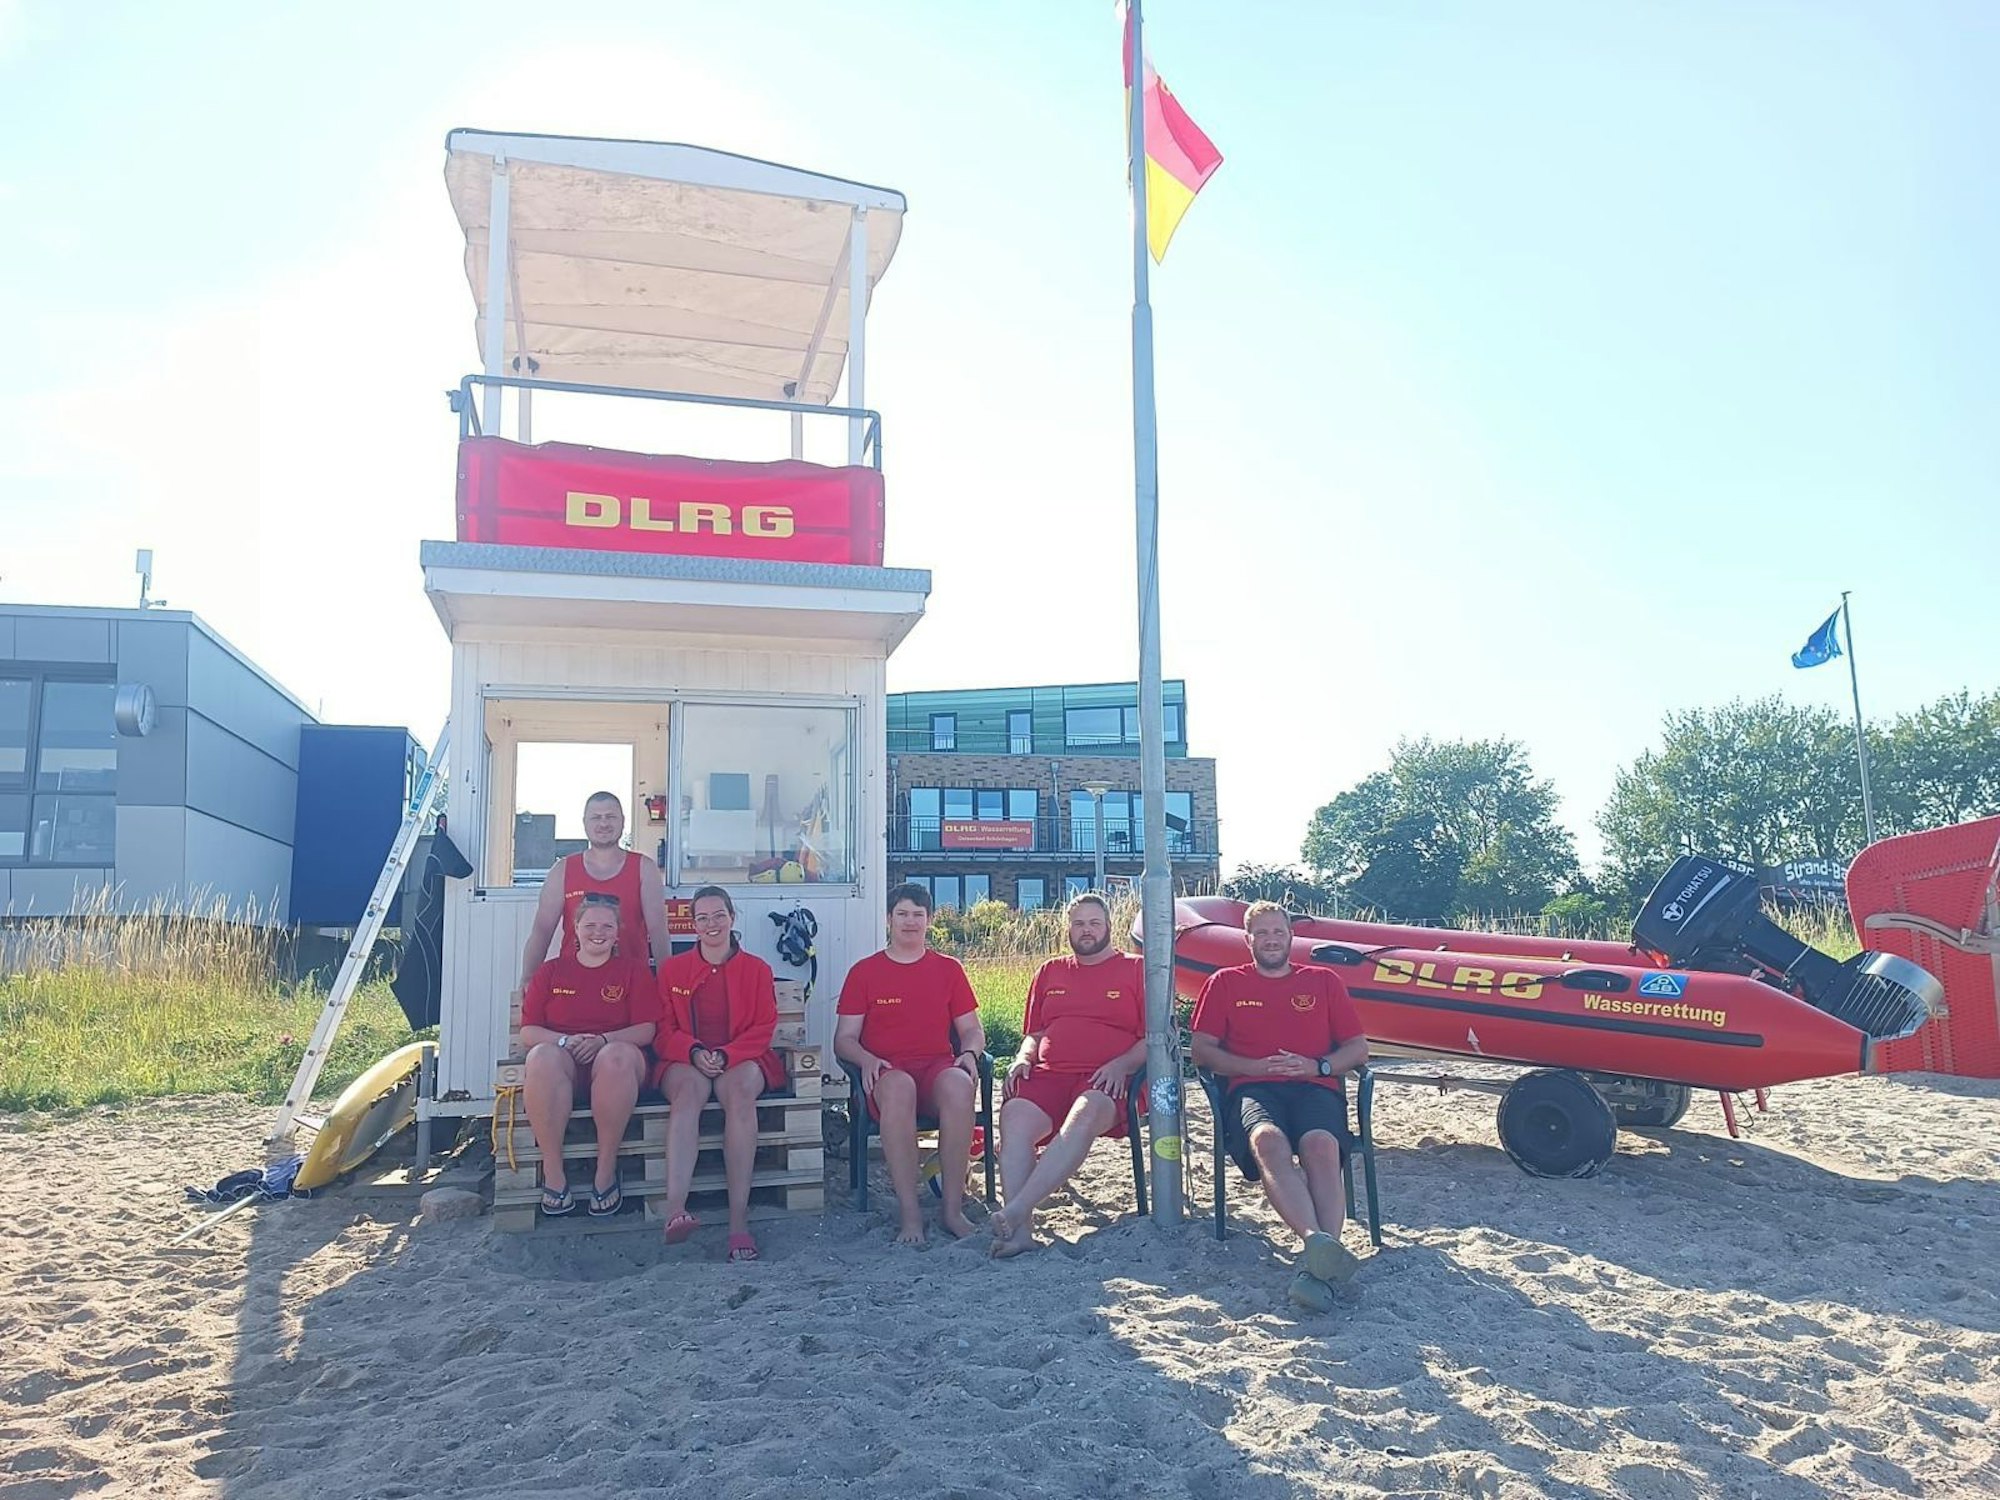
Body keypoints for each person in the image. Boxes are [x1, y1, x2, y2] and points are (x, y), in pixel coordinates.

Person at [1189, 900, 1370, 1311]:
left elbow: (1357, 1048)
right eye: (1262, 933)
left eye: (1278, 932)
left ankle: (1319, 1265)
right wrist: (1251, 1066)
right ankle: (1316, 1242)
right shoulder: (1225, 983)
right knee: (1267, 1140)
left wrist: (1318, 1065)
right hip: (1253, 1088)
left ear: (1291, 937)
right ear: (1248, 940)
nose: (1271, 940)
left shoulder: (1323, 981)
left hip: (1315, 1086)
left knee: (1321, 1146)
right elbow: (1202, 1052)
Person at [989, 893, 1146, 1258]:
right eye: (1078, 924)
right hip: (1050, 1075)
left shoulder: (1136, 970)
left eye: (1094, 923)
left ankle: (1016, 1210)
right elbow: (1035, 1032)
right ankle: (1021, 1234)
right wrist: (1023, 1056)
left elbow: (1154, 1038)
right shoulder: (1050, 971)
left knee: (1085, 1111)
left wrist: (1122, 1065)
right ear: (1068, 929)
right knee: (1014, 1116)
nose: (1086, 930)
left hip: (1107, 1079)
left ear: (1109, 927)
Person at [834, 883, 986, 1245]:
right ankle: (910, 1214)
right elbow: (844, 1039)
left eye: (918, 915)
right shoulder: (865, 972)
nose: (910, 922)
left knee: (960, 1085)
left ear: (929, 920)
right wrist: (865, 1058)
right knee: (899, 1088)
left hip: (936, 1067)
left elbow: (972, 1030)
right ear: (888, 919)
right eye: (902, 914)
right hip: (887, 1071)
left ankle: (952, 1209)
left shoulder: (949, 969)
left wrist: (969, 1054)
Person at [653, 887, 787, 1261]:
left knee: (741, 1096)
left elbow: (763, 1027)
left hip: (742, 1057)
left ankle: (738, 1222)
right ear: (693, 925)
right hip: (686, 1058)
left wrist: (728, 1054)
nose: (711, 924)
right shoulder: (673, 970)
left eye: (718, 915)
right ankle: (675, 1210)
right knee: (686, 1096)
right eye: (702, 918)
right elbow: (662, 1029)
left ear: (732, 917)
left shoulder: (757, 970)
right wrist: (693, 1051)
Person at [519, 892, 662, 1216]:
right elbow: (529, 1032)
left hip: (619, 1067)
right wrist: (565, 1042)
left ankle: (606, 1170)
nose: (598, 932)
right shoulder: (551, 971)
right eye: (590, 925)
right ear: (576, 928)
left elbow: (646, 1030)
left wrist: (603, 1040)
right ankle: (554, 1173)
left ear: (617, 932)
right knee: (541, 1057)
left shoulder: (633, 971)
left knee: (616, 1057)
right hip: (565, 1063)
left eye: (607, 926)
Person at [518, 791, 671, 988]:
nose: (604, 823)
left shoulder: (644, 868)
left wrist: (667, 983)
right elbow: (542, 931)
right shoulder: (562, 870)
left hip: (630, 985)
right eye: (596, 817)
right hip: (573, 984)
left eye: (610, 816)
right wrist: (527, 979)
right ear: (585, 823)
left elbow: (658, 931)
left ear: (623, 821)